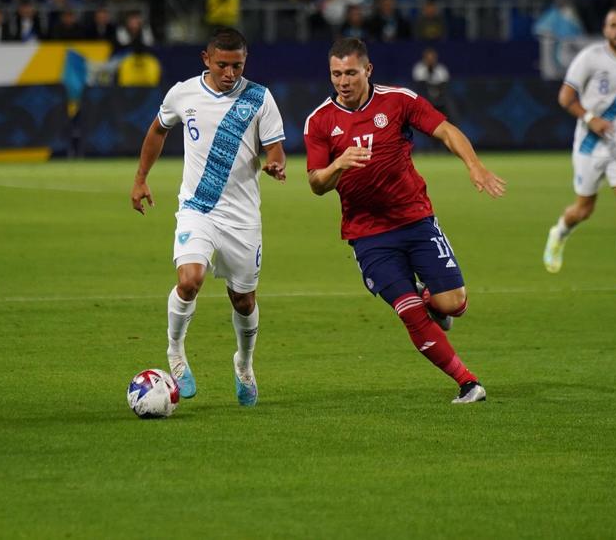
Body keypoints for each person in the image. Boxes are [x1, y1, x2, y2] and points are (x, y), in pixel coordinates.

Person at [303, 37, 505, 404]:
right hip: (368, 235)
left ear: (368, 70)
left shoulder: (398, 100)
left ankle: (432, 298)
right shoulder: (319, 121)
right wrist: (338, 165)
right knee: (409, 310)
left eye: (350, 73)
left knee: (453, 305)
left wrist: (474, 166)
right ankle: (467, 382)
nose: (343, 81)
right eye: (336, 74)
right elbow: (317, 184)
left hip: (416, 220)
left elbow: (446, 130)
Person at [131, 28, 286, 407]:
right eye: (222, 65)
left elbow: (276, 149)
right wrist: (140, 178)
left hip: (242, 218)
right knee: (190, 280)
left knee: (243, 300)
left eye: (237, 66)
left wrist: (275, 164)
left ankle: (244, 364)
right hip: (197, 208)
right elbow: (157, 130)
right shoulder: (183, 93)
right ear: (206, 59)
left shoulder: (259, 98)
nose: (230, 73)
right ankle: (175, 351)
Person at [543, 8, 616, 292]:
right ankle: (559, 232)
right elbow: (565, 97)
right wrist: (590, 118)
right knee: (584, 209)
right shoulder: (589, 58)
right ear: (605, 30)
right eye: (614, 25)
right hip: (590, 145)